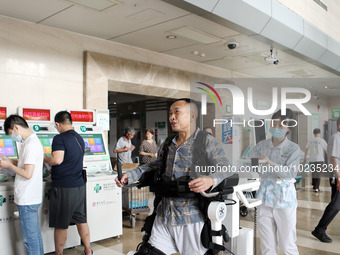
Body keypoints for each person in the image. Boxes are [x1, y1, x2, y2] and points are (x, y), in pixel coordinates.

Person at [115, 98, 231, 255]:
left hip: (190, 218)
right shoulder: (168, 142)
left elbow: (225, 167)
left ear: (192, 116)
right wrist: (132, 174)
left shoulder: (206, 141)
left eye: (177, 112)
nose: (172, 117)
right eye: (170, 113)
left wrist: (210, 179)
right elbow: (155, 165)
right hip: (164, 215)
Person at [248, 109, 300, 255]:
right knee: (267, 247)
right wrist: (255, 162)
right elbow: (247, 164)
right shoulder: (261, 145)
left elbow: (291, 173)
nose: (276, 128)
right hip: (264, 201)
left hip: (284, 202)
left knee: (287, 245)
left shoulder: (293, 148)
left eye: (281, 125)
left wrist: (270, 162)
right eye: (274, 123)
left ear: (288, 128)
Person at [44, 111, 92, 255]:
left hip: (64, 186)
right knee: (81, 219)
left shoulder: (59, 138)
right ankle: (88, 251)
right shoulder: (79, 137)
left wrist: (45, 158)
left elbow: (57, 160)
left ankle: (59, 253)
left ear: (58, 124)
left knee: (61, 224)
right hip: (79, 185)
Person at [0, 115, 44, 255]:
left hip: (28, 199)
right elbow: (24, 163)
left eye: (11, 133)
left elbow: (27, 173)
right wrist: (9, 160)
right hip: (29, 197)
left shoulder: (31, 145)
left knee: (30, 240)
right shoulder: (30, 142)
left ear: (16, 128)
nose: (13, 137)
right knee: (35, 237)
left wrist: (8, 166)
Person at [312, 117, 340, 243]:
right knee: (336, 204)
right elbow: (334, 158)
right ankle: (319, 229)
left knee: (336, 204)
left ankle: (320, 229)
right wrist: (338, 177)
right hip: (338, 176)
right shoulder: (336, 137)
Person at [303, 128, 327, 192]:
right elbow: (326, 150)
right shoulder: (322, 141)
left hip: (312, 159)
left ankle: (314, 185)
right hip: (320, 159)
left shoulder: (310, 140)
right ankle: (317, 188)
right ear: (320, 133)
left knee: (314, 172)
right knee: (318, 173)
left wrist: (305, 157)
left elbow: (306, 149)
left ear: (313, 133)